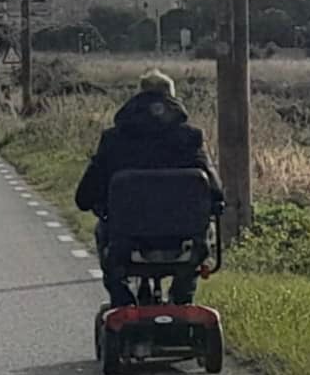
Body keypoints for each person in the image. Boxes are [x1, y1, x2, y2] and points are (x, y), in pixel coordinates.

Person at [75, 69, 224, 307]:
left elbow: (84, 197)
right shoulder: (191, 138)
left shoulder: (114, 139)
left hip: (126, 239)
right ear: (173, 99)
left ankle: (121, 298)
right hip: (183, 239)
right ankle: (182, 296)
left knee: (103, 233)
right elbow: (216, 192)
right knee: (202, 241)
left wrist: (98, 201)